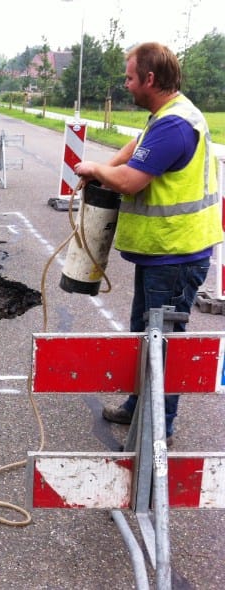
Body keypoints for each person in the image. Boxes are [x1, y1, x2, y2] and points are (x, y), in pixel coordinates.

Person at [74, 42, 221, 445]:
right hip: (163, 255)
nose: (126, 84)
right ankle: (138, 407)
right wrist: (108, 165)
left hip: (175, 255)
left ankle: (157, 430)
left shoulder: (174, 125)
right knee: (145, 333)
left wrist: (95, 169)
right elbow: (133, 151)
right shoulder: (167, 117)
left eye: (129, 77)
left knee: (162, 344)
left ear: (150, 79)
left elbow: (132, 180)